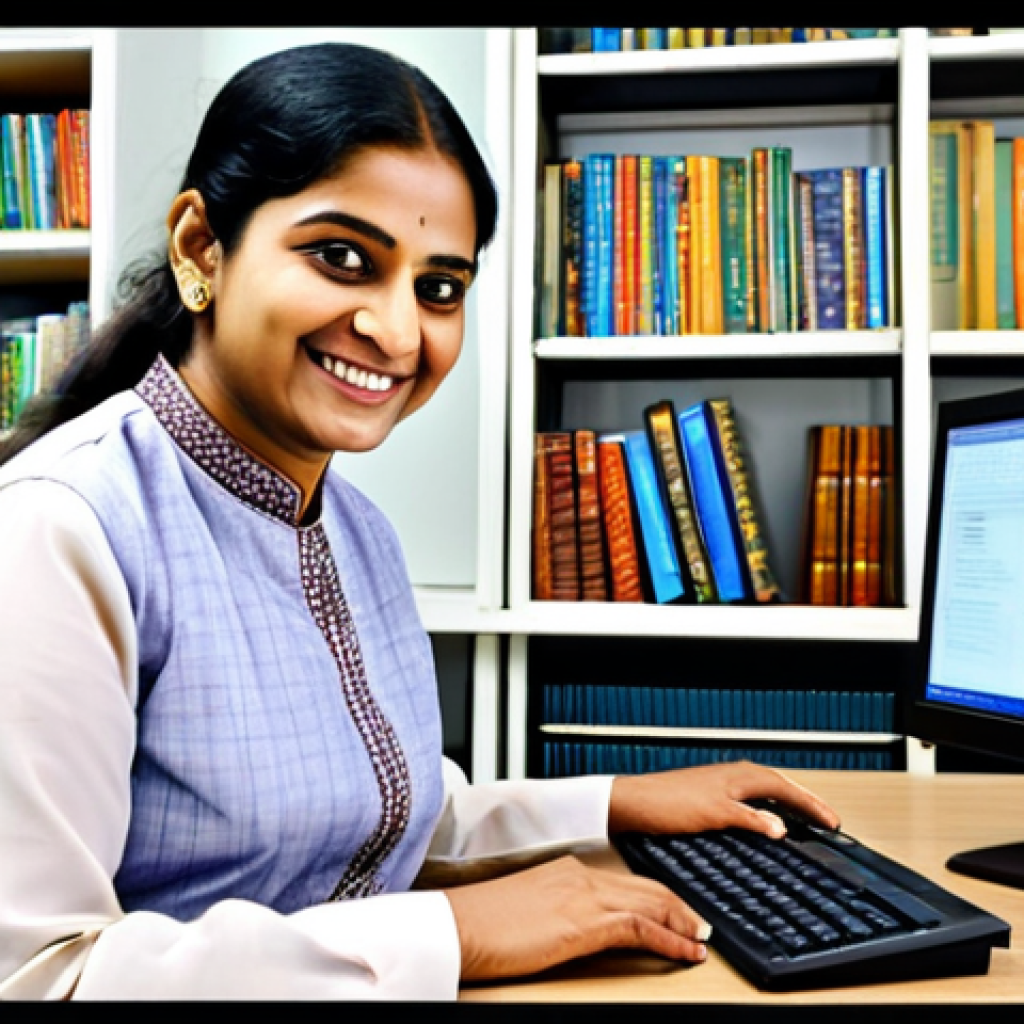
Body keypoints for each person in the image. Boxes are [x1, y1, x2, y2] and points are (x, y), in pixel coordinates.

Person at [0, 41, 840, 1000]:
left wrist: (616, 805)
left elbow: (376, 827)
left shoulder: (354, 530)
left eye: (439, 288)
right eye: (342, 258)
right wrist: (453, 935)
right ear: (202, 247)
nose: (399, 333)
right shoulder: (59, 533)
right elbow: (38, 975)